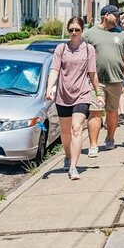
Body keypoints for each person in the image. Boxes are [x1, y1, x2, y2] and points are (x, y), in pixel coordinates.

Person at [45, 17, 99, 180]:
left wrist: (99, 93)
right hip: (63, 95)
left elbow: (92, 73)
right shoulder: (61, 49)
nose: (74, 33)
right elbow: (54, 70)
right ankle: (68, 156)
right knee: (65, 132)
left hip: (82, 94)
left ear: (82, 30)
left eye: (77, 29)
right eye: (71, 30)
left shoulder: (89, 49)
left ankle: (74, 167)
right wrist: (49, 89)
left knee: (76, 128)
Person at [82, 5, 124, 156]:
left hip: (116, 79)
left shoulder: (121, 34)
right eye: (116, 15)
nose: (118, 18)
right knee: (95, 111)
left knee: (112, 112)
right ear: (106, 15)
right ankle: (93, 145)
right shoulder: (90, 34)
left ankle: (110, 138)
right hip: (95, 81)